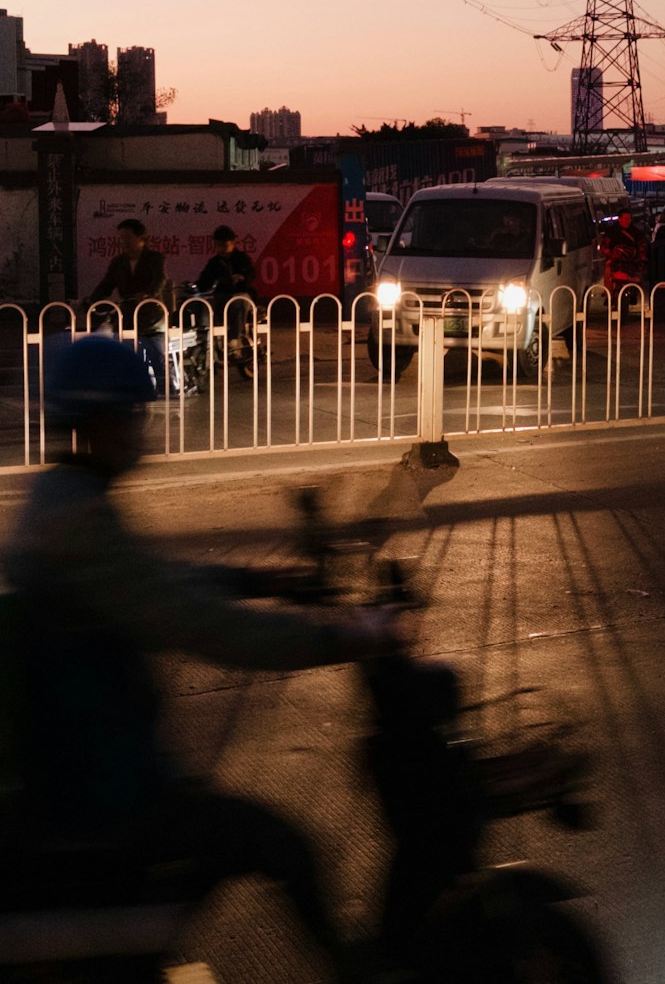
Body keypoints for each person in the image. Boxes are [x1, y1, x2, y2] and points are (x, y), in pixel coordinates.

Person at [2, 335, 399, 980]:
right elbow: (201, 627)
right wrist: (344, 639)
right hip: (106, 793)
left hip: (97, 770)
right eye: (133, 417)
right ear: (101, 421)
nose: (141, 433)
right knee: (283, 844)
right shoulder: (76, 523)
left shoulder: (63, 499)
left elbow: (156, 579)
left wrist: (266, 582)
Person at [84, 218, 169, 395]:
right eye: (121, 238)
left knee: (156, 356)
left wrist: (149, 294)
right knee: (125, 356)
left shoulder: (155, 259)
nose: (124, 242)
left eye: (128, 238)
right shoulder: (118, 262)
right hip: (127, 317)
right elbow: (106, 285)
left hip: (151, 317)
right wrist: (90, 301)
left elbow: (159, 279)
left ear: (141, 238)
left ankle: (164, 391)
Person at [196, 224, 259, 351]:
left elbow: (252, 274)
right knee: (205, 305)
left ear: (233, 244)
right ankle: (204, 338)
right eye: (218, 245)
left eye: (224, 245)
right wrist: (197, 286)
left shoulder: (242, 259)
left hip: (241, 293)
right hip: (221, 296)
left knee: (237, 302)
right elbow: (204, 280)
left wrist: (242, 277)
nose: (221, 249)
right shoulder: (214, 262)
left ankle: (234, 339)